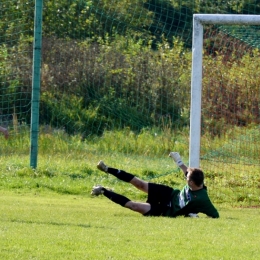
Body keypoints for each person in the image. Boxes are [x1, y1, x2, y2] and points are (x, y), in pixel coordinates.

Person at [91, 152, 219, 218]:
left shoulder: (203, 199)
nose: (185, 176)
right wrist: (178, 160)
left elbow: (215, 215)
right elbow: (188, 171)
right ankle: (108, 169)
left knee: (134, 206)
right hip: (168, 193)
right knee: (139, 183)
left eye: (187, 178)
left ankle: (103, 191)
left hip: (166, 210)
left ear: (191, 183)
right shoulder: (196, 179)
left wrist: (193, 215)